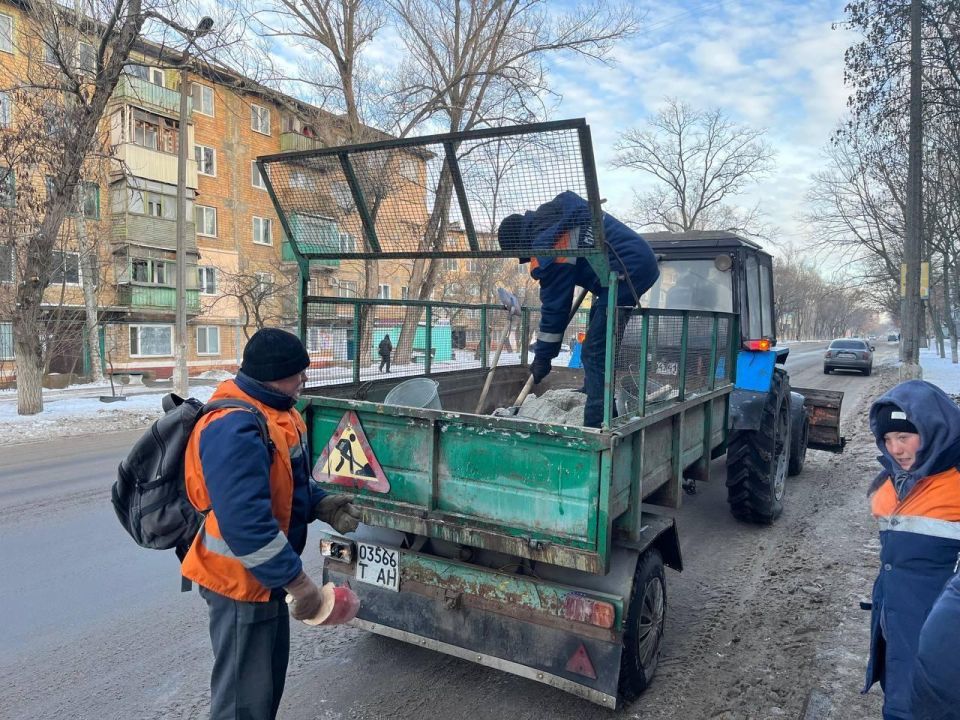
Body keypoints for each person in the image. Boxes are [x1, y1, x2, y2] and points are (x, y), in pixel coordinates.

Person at [181, 327, 362, 720]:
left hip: (266, 580)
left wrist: (322, 503)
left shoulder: (280, 414)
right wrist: (298, 583)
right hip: (239, 583)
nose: (304, 380)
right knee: (242, 705)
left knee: (261, 695)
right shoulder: (234, 425)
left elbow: (291, 481)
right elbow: (247, 523)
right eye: (299, 372)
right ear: (276, 375)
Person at [497, 191, 659, 427]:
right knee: (598, 342)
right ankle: (594, 394)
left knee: (595, 350)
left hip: (628, 270)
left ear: (519, 242)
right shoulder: (554, 223)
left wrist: (543, 356)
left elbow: (556, 307)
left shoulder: (550, 245)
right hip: (617, 274)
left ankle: (596, 423)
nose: (525, 259)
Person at [863, 380, 960, 720]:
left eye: (904, 437)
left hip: (941, 646)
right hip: (896, 634)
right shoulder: (891, 483)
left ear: (933, 430)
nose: (896, 449)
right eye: (888, 439)